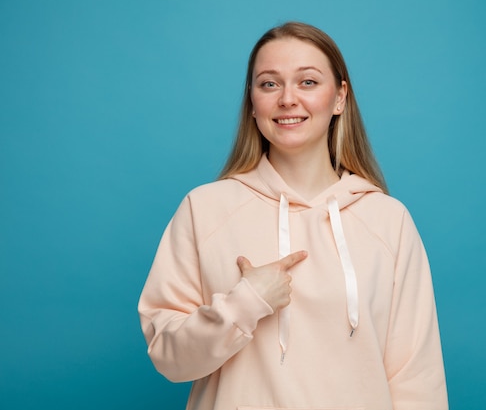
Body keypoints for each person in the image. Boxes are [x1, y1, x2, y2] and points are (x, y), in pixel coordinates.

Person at [138, 21, 448, 410]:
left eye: (307, 82)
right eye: (269, 84)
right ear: (252, 103)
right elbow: (169, 358)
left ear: (339, 98)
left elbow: (416, 379)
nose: (287, 99)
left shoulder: (388, 220)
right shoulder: (204, 209)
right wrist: (244, 303)